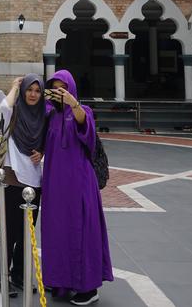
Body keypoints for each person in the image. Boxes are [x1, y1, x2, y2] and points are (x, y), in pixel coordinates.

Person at [40, 69, 112, 305]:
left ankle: (88, 288)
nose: (59, 93)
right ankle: (61, 280)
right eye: (55, 88)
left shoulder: (82, 111)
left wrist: (74, 104)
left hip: (78, 183)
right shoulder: (50, 115)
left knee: (82, 231)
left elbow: (86, 129)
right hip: (55, 185)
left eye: (64, 88)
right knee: (57, 231)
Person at [0, 74, 48, 297]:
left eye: (37, 90)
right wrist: (15, 86)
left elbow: (48, 140)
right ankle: (1, 276)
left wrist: (42, 151)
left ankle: (19, 275)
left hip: (34, 181)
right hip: (13, 180)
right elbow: (5, 106)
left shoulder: (43, 117)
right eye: (29, 90)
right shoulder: (14, 112)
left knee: (27, 234)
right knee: (9, 231)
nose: (33, 94)